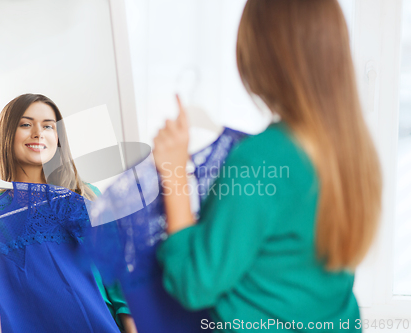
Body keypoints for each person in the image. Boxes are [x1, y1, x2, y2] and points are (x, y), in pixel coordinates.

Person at [153, 0, 382, 332]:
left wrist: (174, 173)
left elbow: (195, 283)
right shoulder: (352, 152)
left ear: (259, 56)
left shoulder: (261, 159)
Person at [0, 93, 136, 333]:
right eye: (26, 124)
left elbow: (121, 279)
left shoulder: (87, 195)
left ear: (58, 138)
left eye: (48, 126)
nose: (38, 133)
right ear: (7, 135)